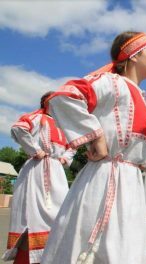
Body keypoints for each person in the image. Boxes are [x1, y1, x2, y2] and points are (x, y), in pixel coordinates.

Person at [41, 31, 146, 263]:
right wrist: (96, 137)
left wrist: (142, 161)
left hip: (130, 185)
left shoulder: (142, 97)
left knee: (126, 249)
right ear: (133, 55)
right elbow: (63, 97)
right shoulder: (112, 83)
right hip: (106, 179)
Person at [2, 92, 73, 264]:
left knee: (60, 215)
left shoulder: (63, 125)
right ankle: (26, 259)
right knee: (32, 217)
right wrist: (34, 150)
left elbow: (74, 145)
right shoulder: (38, 117)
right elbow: (18, 128)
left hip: (56, 173)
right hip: (37, 169)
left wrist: (64, 158)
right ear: (48, 103)